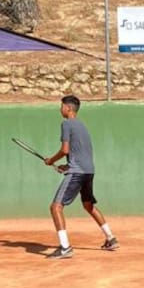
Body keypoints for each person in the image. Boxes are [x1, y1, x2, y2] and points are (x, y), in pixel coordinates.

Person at [43, 94, 118, 259]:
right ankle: (111, 239)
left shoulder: (66, 124)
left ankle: (65, 248)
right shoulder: (82, 126)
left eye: (61, 106)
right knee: (88, 205)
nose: (60, 108)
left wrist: (51, 160)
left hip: (77, 171)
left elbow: (65, 150)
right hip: (88, 170)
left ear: (68, 108)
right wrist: (67, 166)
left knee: (56, 207)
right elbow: (80, 152)